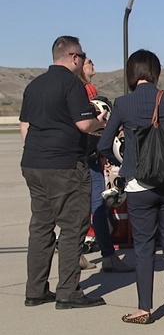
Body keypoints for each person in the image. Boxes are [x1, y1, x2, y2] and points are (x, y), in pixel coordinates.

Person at [98, 50, 164, 325]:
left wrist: (123, 161)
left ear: (131, 73)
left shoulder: (123, 103)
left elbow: (103, 144)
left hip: (138, 185)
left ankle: (144, 308)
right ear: (155, 72)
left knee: (144, 246)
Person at [19, 36, 106, 309]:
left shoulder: (34, 85)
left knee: (41, 226)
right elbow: (82, 124)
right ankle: (68, 291)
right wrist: (99, 121)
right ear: (72, 57)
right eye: (81, 56)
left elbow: (25, 127)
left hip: (33, 162)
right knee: (73, 225)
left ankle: (35, 290)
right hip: (64, 164)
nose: (82, 61)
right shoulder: (71, 84)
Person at [80, 55, 134, 273]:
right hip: (90, 156)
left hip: (81, 154)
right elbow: (92, 124)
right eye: (87, 61)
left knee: (81, 208)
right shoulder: (87, 90)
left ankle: (77, 254)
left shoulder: (77, 90)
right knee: (98, 205)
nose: (92, 62)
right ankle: (109, 255)